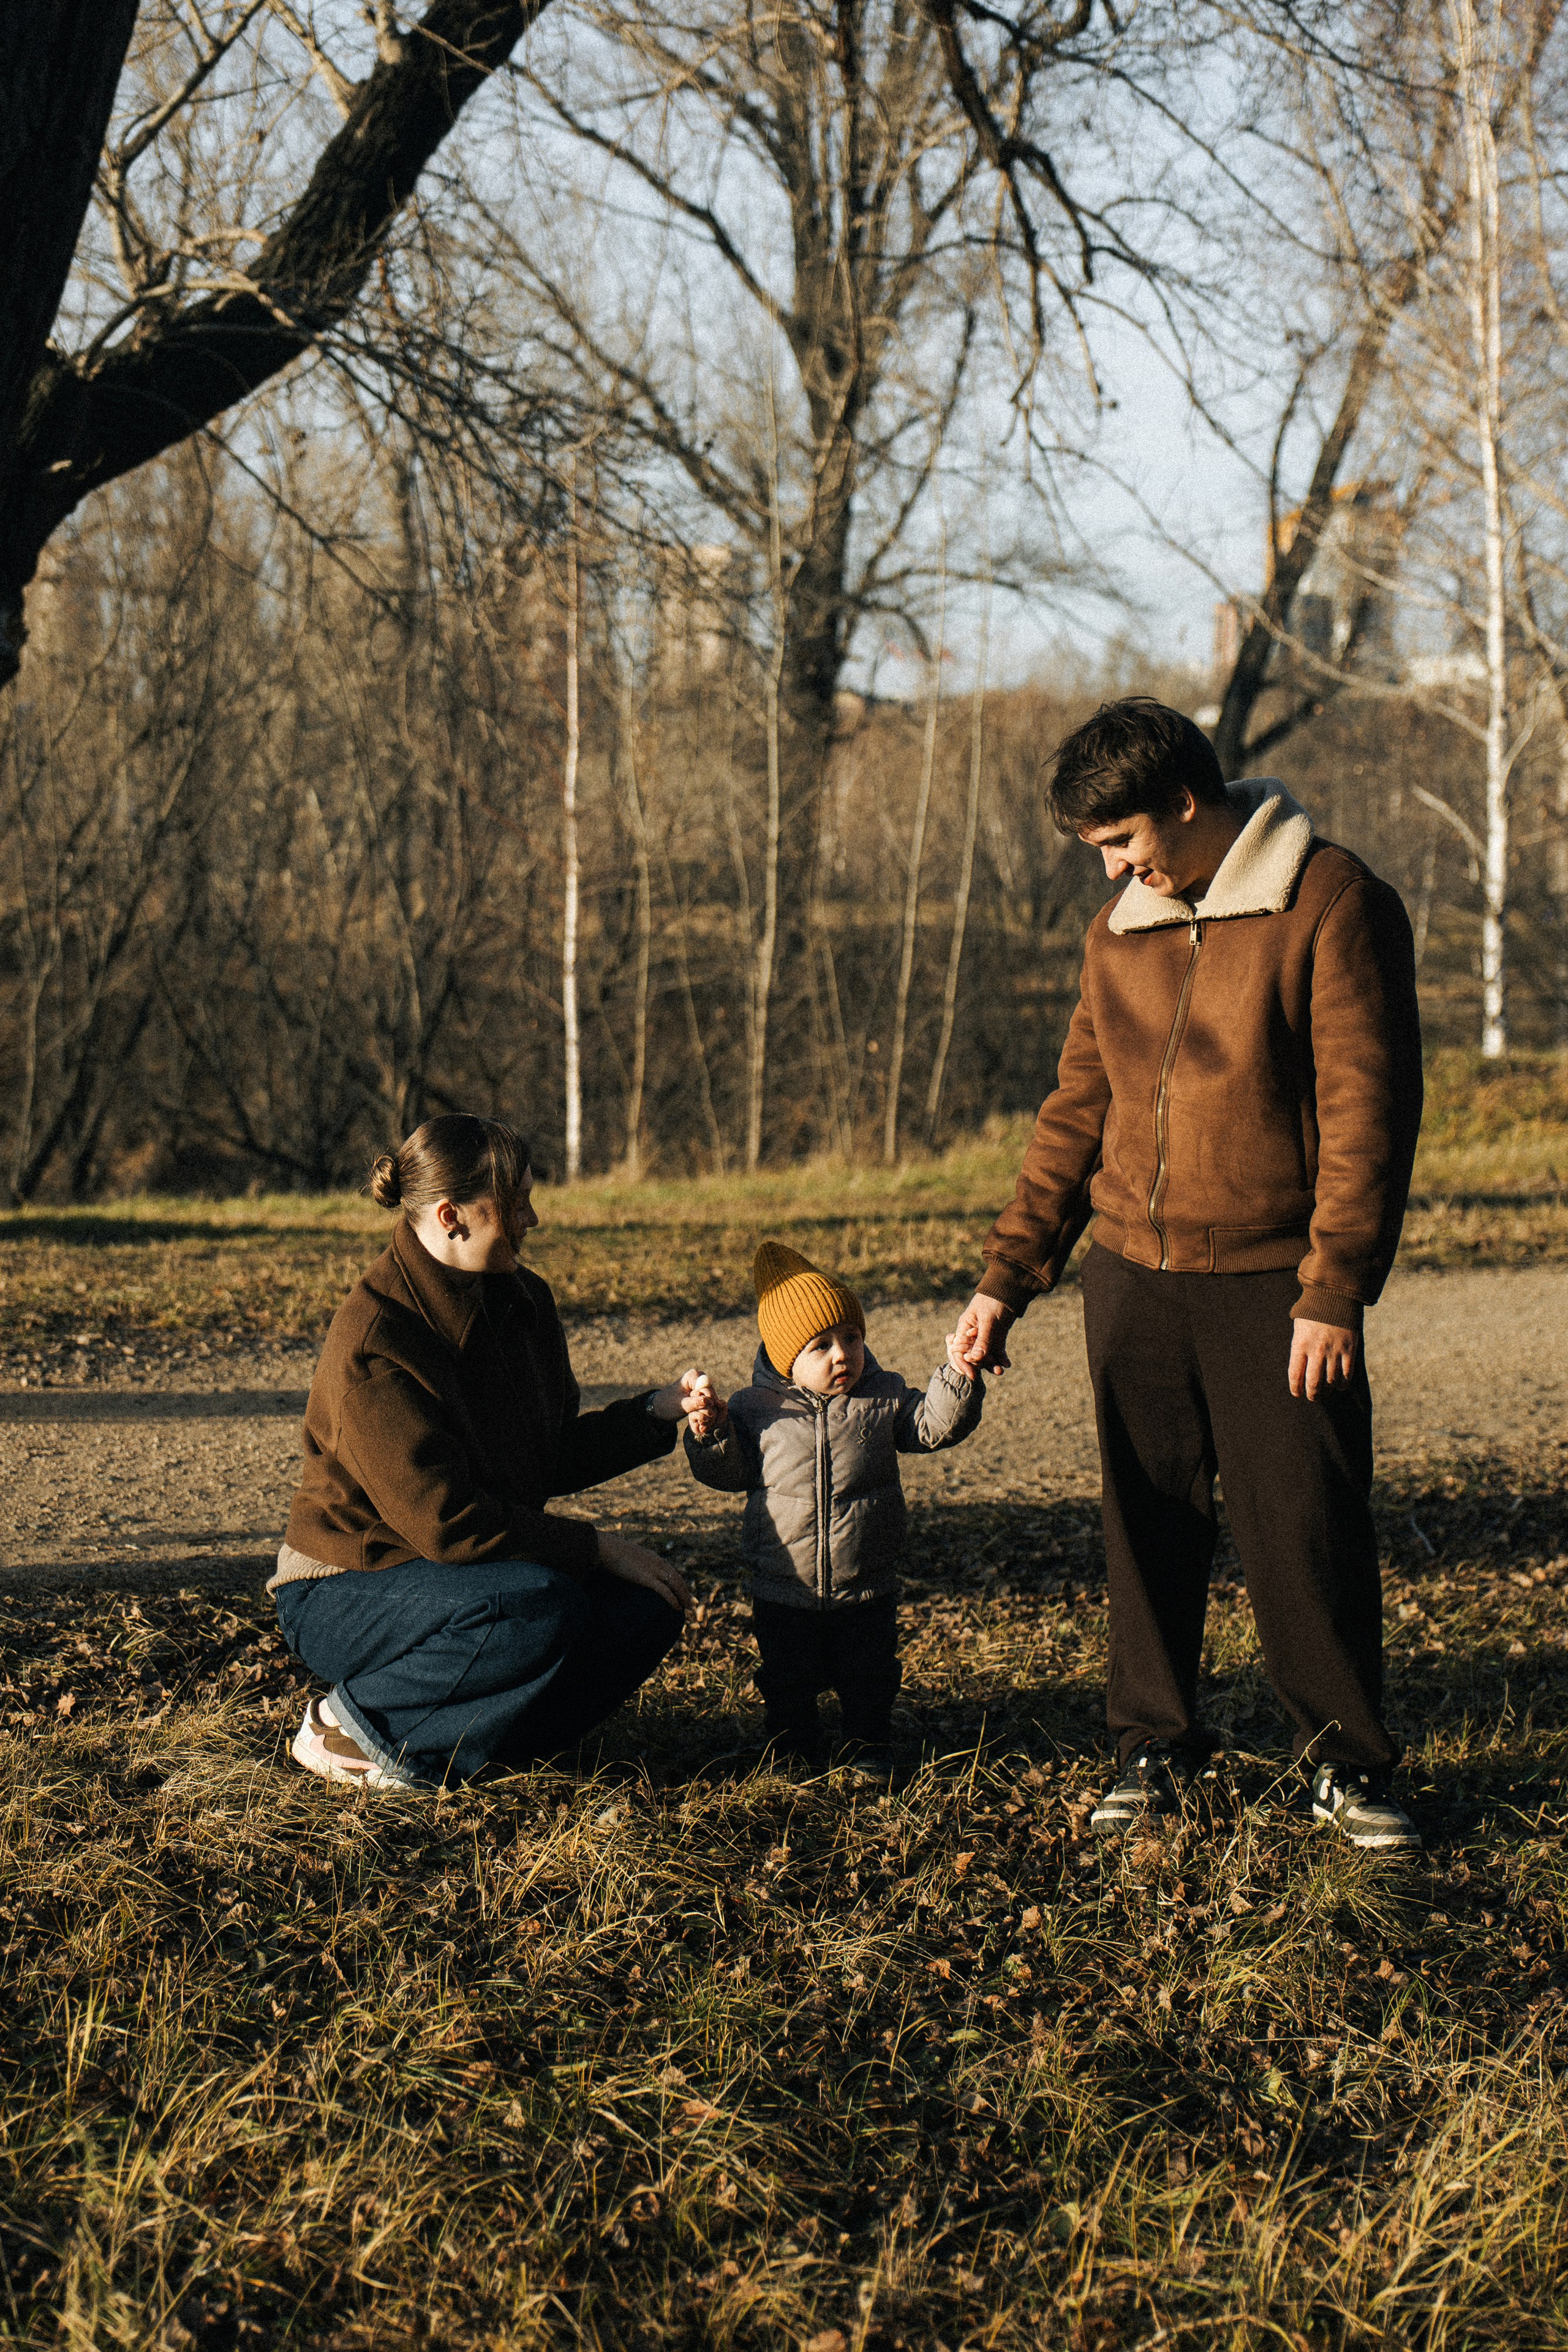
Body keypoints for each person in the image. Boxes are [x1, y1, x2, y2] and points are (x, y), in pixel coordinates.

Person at [952, 698, 1425, 1852]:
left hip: (1277, 1288)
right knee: (1148, 1528)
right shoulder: (1120, 931)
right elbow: (1078, 1112)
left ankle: (1347, 1767)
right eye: (1098, 850)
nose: (1113, 869)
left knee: (1303, 1529)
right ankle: (1152, 1749)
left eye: (1122, 841)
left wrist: (1334, 1288)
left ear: (1183, 801)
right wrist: (1006, 1277)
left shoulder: (1332, 901)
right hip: (1132, 1278)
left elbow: (1369, 1113)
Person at [274, 1113, 715, 1790]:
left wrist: (654, 1412)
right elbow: (447, 1524)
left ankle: (489, 1753)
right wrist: (596, 1548)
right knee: (538, 1603)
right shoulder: (378, 1340)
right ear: (451, 1216)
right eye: (515, 1203)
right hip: (347, 1587)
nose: (533, 1218)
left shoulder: (524, 1300)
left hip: (463, 1574)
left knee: (646, 1606)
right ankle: (353, 1727)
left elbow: (546, 1455)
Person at [686, 1240, 983, 1776]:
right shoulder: (756, 1410)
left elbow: (933, 1425)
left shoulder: (882, 1396)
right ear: (786, 1359)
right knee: (786, 1677)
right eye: (820, 1346)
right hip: (785, 1584)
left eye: (851, 1337)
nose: (842, 1354)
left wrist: (958, 1375)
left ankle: (869, 1747)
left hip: (866, 1580)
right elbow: (728, 1476)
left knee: (869, 1674)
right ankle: (793, 1749)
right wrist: (712, 1436)